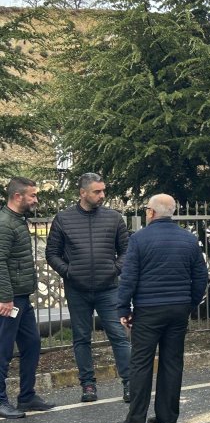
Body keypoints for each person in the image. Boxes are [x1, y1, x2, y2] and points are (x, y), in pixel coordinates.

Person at [116, 194, 208, 423]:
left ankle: (136, 419)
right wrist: (190, 304)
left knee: (141, 362)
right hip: (178, 310)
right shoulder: (188, 240)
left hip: (148, 310)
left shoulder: (139, 239)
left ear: (151, 212)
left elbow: (129, 277)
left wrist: (124, 308)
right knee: (172, 362)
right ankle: (167, 416)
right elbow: (200, 278)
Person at [46, 172, 132, 403]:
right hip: (77, 290)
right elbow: (52, 253)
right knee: (81, 338)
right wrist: (69, 272)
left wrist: (115, 269)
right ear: (83, 193)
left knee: (119, 335)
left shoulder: (113, 218)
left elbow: (126, 251)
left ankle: (130, 383)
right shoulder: (63, 219)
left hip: (109, 289)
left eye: (103, 190)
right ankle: (88, 385)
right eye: (97, 191)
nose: (102, 195)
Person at [0, 177, 55, 418]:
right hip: (10, 299)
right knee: (2, 350)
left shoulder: (17, 221)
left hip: (22, 296)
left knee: (32, 344)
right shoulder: (5, 223)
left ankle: (26, 396)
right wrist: (5, 297)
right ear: (18, 196)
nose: (36, 199)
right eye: (32, 195)